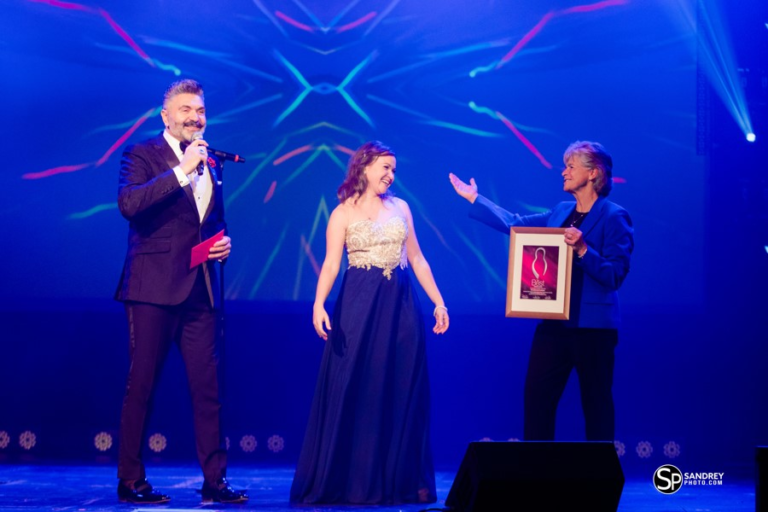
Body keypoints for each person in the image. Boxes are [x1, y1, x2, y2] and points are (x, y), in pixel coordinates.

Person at [290, 141, 449, 504]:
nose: (390, 176)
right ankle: (354, 479)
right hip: (360, 305)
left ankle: (398, 479)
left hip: (401, 306)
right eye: (385, 168)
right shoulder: (343, 213)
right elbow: (331, 264)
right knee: (359, 387)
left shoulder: (402, 208)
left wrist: (439, 301)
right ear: (363, 167)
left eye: (394, 170)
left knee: (401, 386)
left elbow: (418, 259)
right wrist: (318, 303)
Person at [114, 79, 247, 504]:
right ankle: (131, 479)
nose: (195, 117)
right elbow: (130, 205)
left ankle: (215, 480)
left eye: (201, 110)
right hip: (152, 287)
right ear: (166, 115)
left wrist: (221, 242)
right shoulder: (142, 154)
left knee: (209, 388)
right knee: (143, 385)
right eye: (186, 109)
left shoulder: (213, 162)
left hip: (200, 288)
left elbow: (209, 220)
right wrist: (182, 170)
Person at [449, 141, 633, 441]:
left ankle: (598, 479)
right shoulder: (561, 211)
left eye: (571, 166)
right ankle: (538, 475)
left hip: (593, 329)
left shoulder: (614, 216)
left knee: (596, 404)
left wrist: (584, 249)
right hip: (555, 324)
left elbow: (615, 274)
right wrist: (475, 199)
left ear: (594, 173)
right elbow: (516, 225)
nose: (564, 172)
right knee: (537, 399)